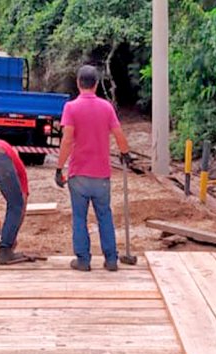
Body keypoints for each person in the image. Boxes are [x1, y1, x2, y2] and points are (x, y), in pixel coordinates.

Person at [55, 64, 133, 272]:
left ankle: (83, 260)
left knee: (79, 218)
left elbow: (67, 140)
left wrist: (59, 167)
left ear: (78, 83)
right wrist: (125, 153)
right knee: (104, 216)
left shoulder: (70, 108)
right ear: (96, 84)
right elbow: (118, 134)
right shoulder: (106, 107)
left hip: (78, 174)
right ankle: (111, 260)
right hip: (101, 175)